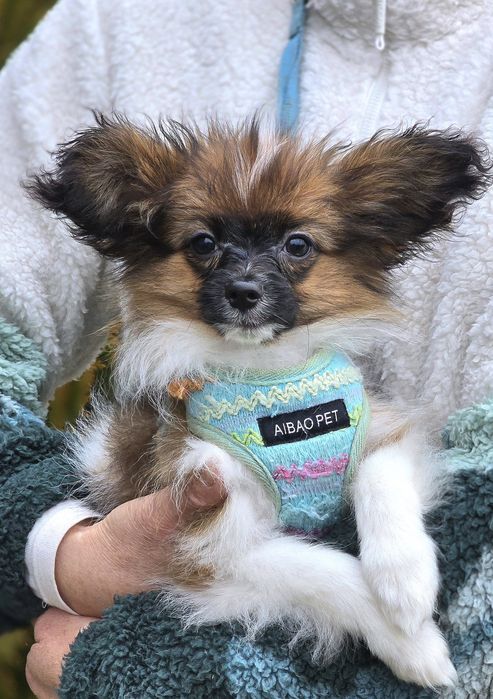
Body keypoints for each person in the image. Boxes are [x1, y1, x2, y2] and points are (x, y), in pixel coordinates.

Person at [0, 0, 491, 696]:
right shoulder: (114, 21)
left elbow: (388, 447)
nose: (246, 279)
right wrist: (58, 546)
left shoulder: (337, 396)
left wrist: (392, 526)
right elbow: (217, 566)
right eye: (205, 244)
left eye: (297, 247)